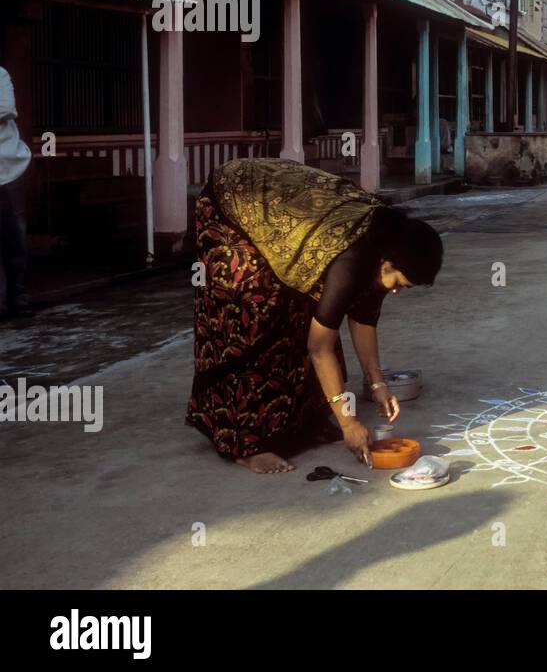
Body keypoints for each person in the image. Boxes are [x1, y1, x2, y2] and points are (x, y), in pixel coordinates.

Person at [185, 158, 442, 474]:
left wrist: (377, 385)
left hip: (284, 214)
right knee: (256, 315)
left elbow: (363, 318)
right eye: (399, 283)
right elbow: (319, 348)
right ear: (386, 264)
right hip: (233, 203)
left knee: (311, 311)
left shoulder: (383, 243)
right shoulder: (351, 263)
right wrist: (348, 422)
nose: (396, 292)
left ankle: (304, 424)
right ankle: (243, 443)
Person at [0, 64, 32, 319]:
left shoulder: (0, 74)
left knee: (14, 236)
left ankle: (17, 296)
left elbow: (5, 109)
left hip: (8, 165)